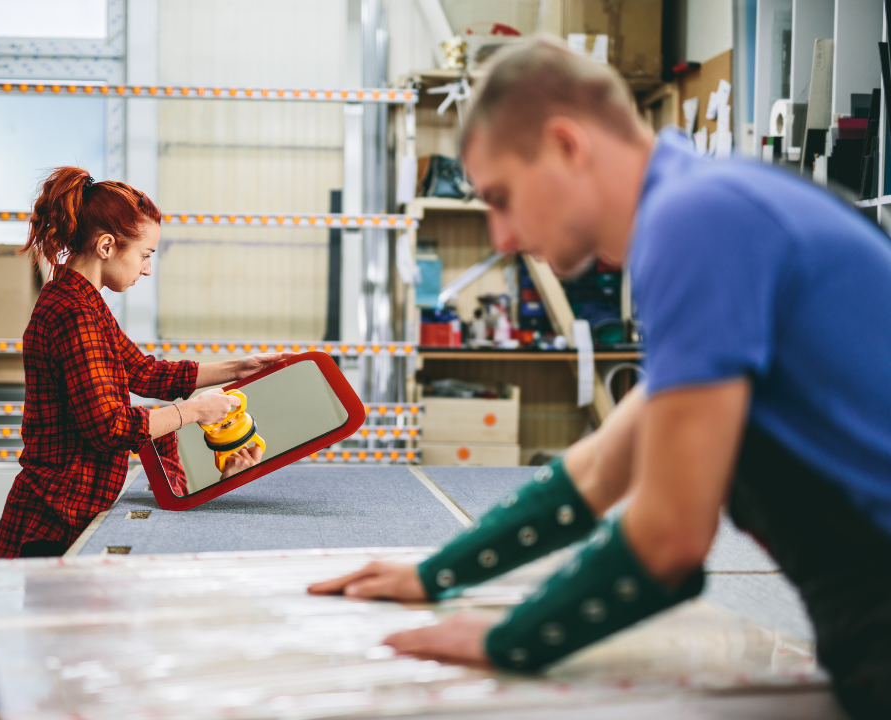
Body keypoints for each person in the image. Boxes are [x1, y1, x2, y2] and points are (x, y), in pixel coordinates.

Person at [309, 37, 891, 719]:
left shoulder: (693, 220)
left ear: (565, 145)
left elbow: (669, 536)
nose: (498, 236)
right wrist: (434, 574)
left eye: (501, 197)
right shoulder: (709, 202)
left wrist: (507, 640)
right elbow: (604, 466)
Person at [0, 167, 292, 559]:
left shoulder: (82, 303)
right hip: (55, 519)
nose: (147, 268)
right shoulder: (73, 313)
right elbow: (109, 427)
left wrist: (239, 369)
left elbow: (144, 372)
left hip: (65, 510)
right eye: (145, 255)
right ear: (106, 247)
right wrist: (194, 410)